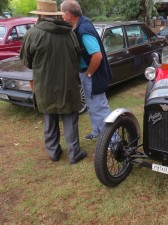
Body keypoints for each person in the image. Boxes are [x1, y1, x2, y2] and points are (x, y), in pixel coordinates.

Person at [20, 0, 86, 164]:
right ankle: (74, 153)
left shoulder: (32, 34)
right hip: (68, 84)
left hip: (45, 85)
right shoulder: (70, 32)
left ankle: (54, 152)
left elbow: (27, 62)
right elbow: (76, 59)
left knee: (49, 117)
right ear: (55, 15)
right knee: (70, 117)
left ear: (40, 15)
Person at [60, 0, 112, 140]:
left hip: (93, 75)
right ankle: (98, 132)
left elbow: (97, 56)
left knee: (99, 107)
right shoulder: (80, 25)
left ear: (68, 14)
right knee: (91, 105)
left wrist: (89, 73)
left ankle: (113, 141)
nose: (61, 17)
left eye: (62, 14)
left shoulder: (83, 30)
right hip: (87, 73)